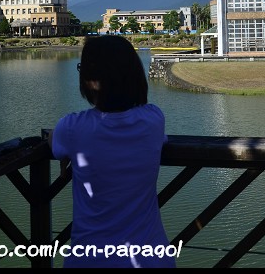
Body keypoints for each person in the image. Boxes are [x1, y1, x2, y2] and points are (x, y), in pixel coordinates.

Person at [49, 35, 176, 268]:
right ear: (134, 76)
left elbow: (56, 145)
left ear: (89, 80)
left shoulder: (71, 128)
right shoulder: (153, 119)